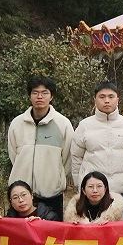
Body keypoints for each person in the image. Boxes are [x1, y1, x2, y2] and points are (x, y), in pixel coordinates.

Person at [7, 75, 75, 219]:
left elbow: (67, 159)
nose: (39, 96)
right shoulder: (17, 124)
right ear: (30, 96)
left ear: (51, 96)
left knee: (51, 232)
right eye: (35, 92)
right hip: (22, 196)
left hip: (51, 194)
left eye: (44, 93)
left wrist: (56, 178)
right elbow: (13, 155)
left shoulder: (63, 124)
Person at [72, 82, 123, 219]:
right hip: (92, 192)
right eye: (102, 97)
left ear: (117, 100)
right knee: (91, 228)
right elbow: (76, 157)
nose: (107, 100)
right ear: (95, 100)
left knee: (119, 229)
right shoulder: (85, 126)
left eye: (111, 96)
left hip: (120, 190)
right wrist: (80, 185)